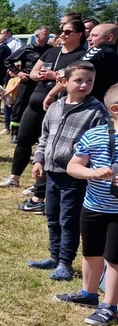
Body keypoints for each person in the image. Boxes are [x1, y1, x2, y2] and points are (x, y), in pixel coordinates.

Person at [28, 62, 107, 282]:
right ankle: (54, 256)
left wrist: (82, 150)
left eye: (89, 81)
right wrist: (38, 160)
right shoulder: (55, 107)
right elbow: (44, 137)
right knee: (52, 215)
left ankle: (65, 262)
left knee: (68, 219)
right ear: (64, 82)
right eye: (79, 80)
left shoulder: (96, 111)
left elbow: (100, 143)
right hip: (51, 173)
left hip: (74, 176)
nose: (84, 85)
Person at [0, 19, 87, 193]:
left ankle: (39, 186)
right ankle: (14, 178)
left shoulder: (81, 55)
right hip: (35, 100)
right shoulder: (51, 52)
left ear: (79, 35)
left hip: (58, 105)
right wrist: (41, 75)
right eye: (62, 31)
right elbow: (32, 73)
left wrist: (55, 76)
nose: (62, 34)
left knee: (49, 145)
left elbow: (75, 77)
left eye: (67, 32)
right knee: (23, 140)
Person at [55, 85, 118, 326]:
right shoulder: (94, 135)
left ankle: (110, 306)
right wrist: (92, 173)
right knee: (91, 252)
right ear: (115, 109)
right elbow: (73, 166)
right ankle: (89, 294)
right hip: (93, 206)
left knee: (114, 258)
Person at [6, 27, 52, 143]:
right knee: (20, 106)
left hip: (42, 83)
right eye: (45, 34)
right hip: (27, 82)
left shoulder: (50, 50)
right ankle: (15, 133)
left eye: (48, 34)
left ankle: (36, 134)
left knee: (39, 108)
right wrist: (19, 73)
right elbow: (8, 61)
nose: (47, 37)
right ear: (37, 36)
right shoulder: (27, 48)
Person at [78, 23, 118, 102]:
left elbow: (75, 70)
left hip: (90, 102)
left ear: (110, 37)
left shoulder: (99, 51)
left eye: (94, 35)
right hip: (107, 102)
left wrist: (52, 94)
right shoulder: (114, 53)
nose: (88, 39)